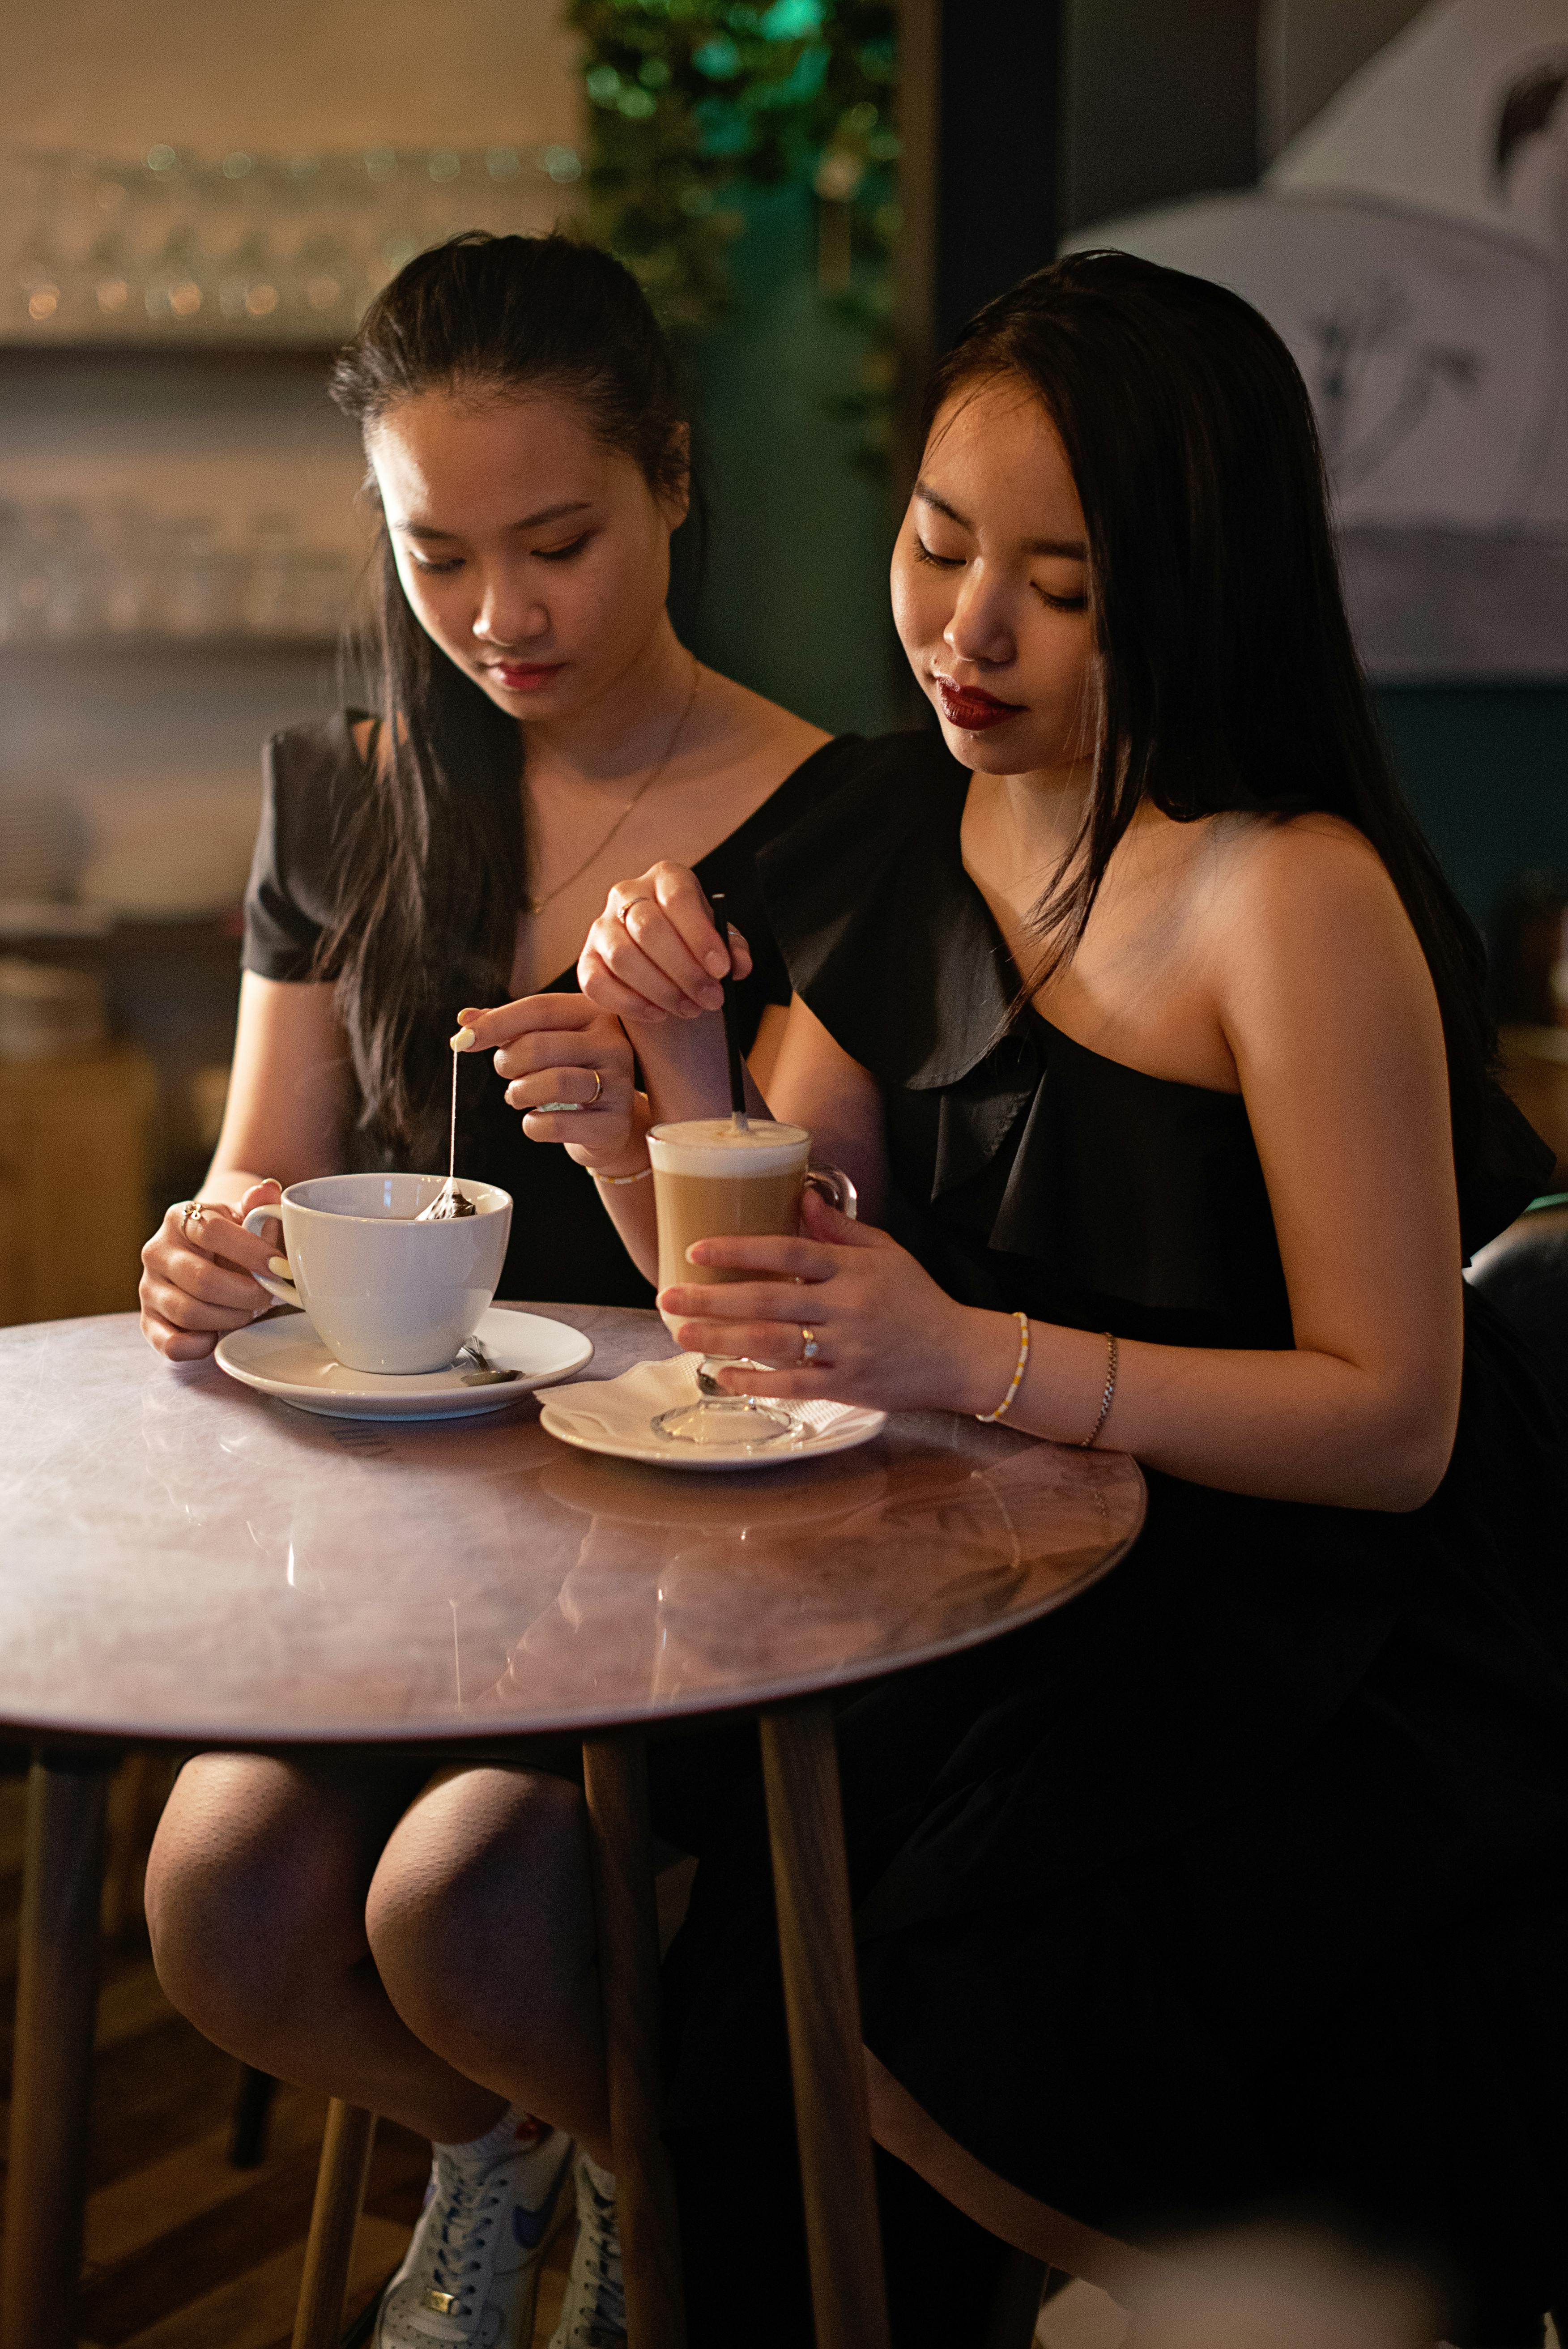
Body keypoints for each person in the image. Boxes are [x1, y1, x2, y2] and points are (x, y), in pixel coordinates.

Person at [472, 252, 1568, 2344]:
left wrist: (971, 1353)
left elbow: (1394, 1419)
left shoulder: (1290, 888)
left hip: (1314, 1637)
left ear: (1195, 583)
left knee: (923, 2005)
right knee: (761, 1987)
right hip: (1019, 1587)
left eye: (1057, 587)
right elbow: (767, 1311)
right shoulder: (912, 821)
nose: (966, 630)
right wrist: (662, 1093)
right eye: (939, 543)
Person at [138, 230, 852, 2349]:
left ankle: (651, 2178)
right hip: (391, 1537)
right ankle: (510, 2142)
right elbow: (265, 1160)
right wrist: (210, 1244)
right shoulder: (343, 789)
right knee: (221, 1899)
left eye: (557, 543)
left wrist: (655, 1103)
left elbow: (790, 1303)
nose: (498, 619)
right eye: (437, 557)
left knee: (458, 1892)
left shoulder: (837, 814)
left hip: (682, 1555)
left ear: (674, 483)